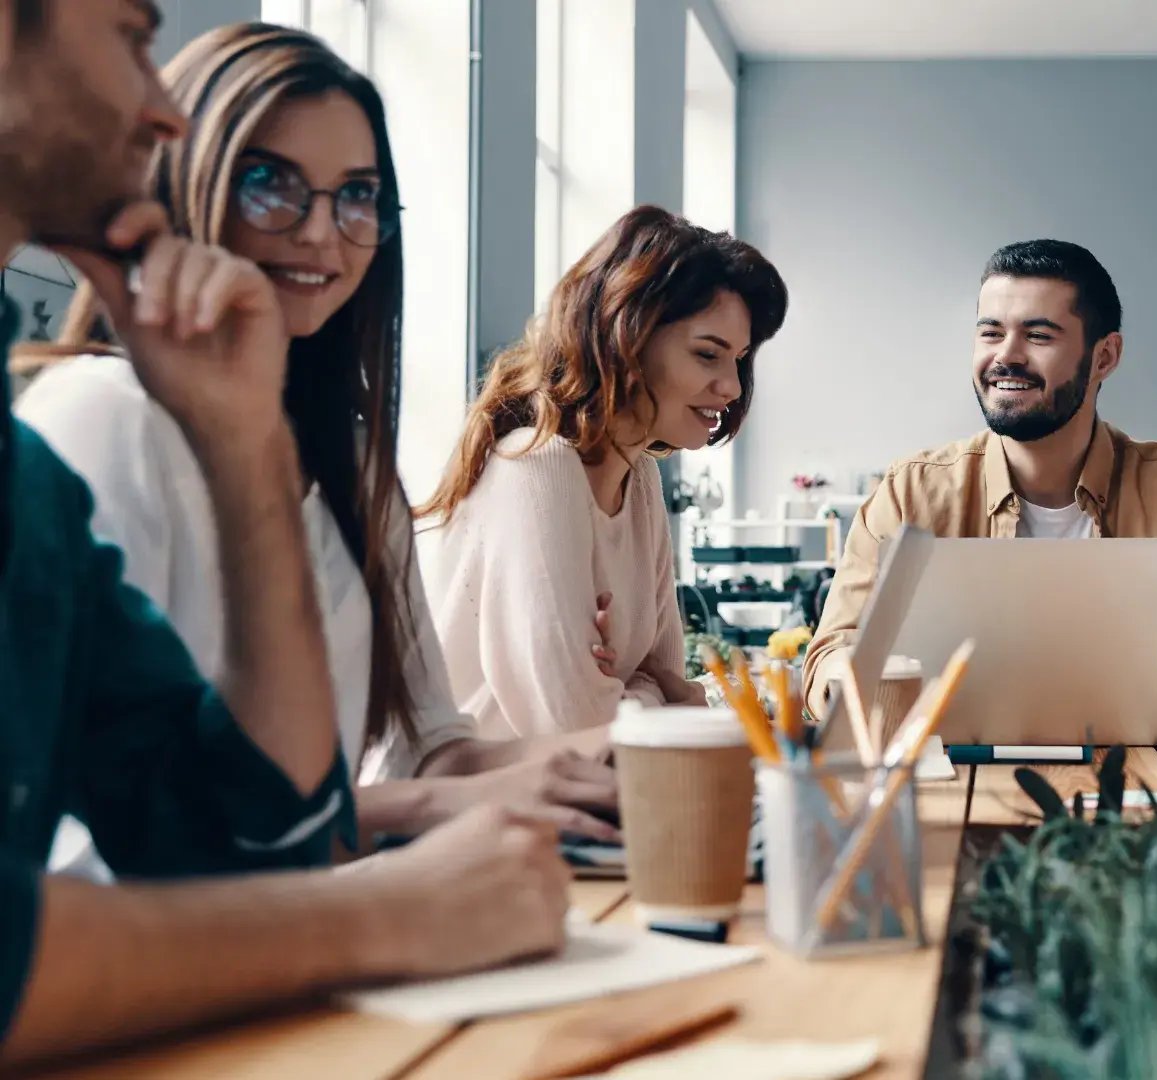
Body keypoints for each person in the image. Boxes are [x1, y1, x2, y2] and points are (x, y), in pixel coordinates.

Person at [0, 0, 565, 1065]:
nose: (160, 109)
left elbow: (255, 834)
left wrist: (248, 440)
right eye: (131, 35)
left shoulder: (28, 478)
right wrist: (394, 912)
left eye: (358, 198)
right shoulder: (88, 420)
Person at [20, 22, 622, 851]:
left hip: (297, 925)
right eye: (270, 182)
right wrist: (418, 813)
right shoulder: (103, 417)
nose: (319, 231)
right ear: (188, 176)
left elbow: (428, 749)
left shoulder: (353, 457)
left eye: (358, 195)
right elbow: (108, 834)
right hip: (189, 952)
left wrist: (618, 755)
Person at [803, 239, 1157, 719]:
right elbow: (832, 652)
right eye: (990, 333)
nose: (1006, 357)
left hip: (1145, 775)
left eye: (1038, 335)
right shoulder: (910, 494)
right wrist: (846, 681)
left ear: (1104, 357)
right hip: (952, 779)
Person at [418, 205, 789, 737]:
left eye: (738, 359)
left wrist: (627, 688)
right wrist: (633, 692)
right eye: (708, 355)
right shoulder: (536, 468)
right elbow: (577, 725)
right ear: (628, 340)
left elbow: (671, 684)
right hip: (497, 805)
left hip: (600, 799)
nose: (731, 386)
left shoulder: (638, 479)